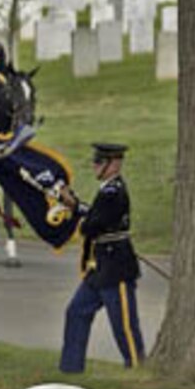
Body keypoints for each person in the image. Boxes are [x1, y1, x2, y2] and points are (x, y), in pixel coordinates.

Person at [58, 143, 144, 373]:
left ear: (114, 165)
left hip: (116, 268)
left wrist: (77, 216)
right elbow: (94, 215)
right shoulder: (107, 190)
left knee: (124, 325)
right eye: (95, 161)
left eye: (99, 162)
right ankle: (71, 368)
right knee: (77, 311)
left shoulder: (112, 192)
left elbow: (92, 226)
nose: (94, 166)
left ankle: (136, 368)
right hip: (99, 268)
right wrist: (75, 205)